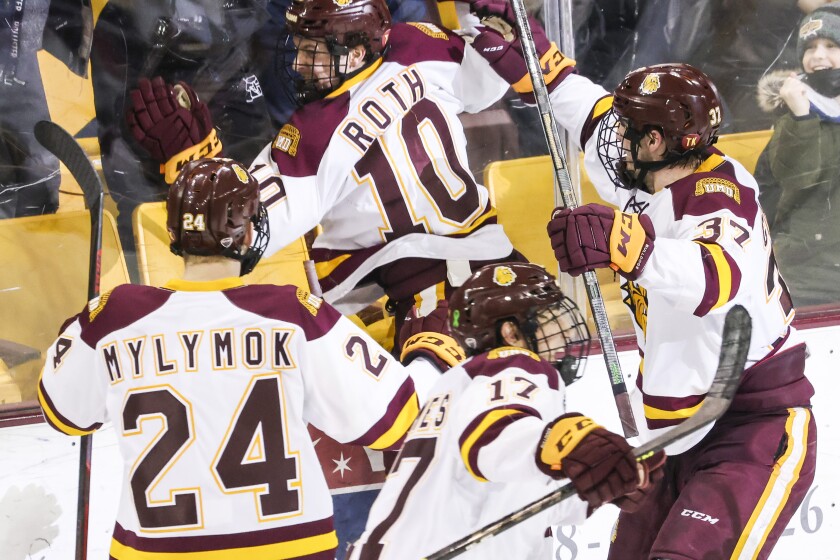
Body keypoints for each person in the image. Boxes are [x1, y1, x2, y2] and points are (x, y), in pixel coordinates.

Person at [36, 157, 446, 559]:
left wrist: (76, 334)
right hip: (290, 552)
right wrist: (431, 353)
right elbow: (395, 420)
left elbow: (64, 415)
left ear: (173, 231)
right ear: (248, 233)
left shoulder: (115, 317)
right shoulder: (292, 314)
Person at [505, 53, 816, 557]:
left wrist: (625, 246)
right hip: (672, 438)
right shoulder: (646, 174)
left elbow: (719, 276)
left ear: (654, 141)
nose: (614, 137)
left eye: (626, 128)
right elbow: (585, 110)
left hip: (749, 426)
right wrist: (532, 56)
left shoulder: (720, 194)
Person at [346, 262, 665, 560]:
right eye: (548, 320)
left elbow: (519, 495)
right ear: (511, 334)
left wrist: (597, 485)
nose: (566, 333)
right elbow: (495, 436)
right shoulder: (510, 364)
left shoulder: (463, 387)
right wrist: (573, 442)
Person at [754, 2, 840, 306]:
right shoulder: (792, 115)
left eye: (831, 45)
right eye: (810, 47)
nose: (818, 56)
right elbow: (797, 177)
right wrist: (801, 116)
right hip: (808, 277)